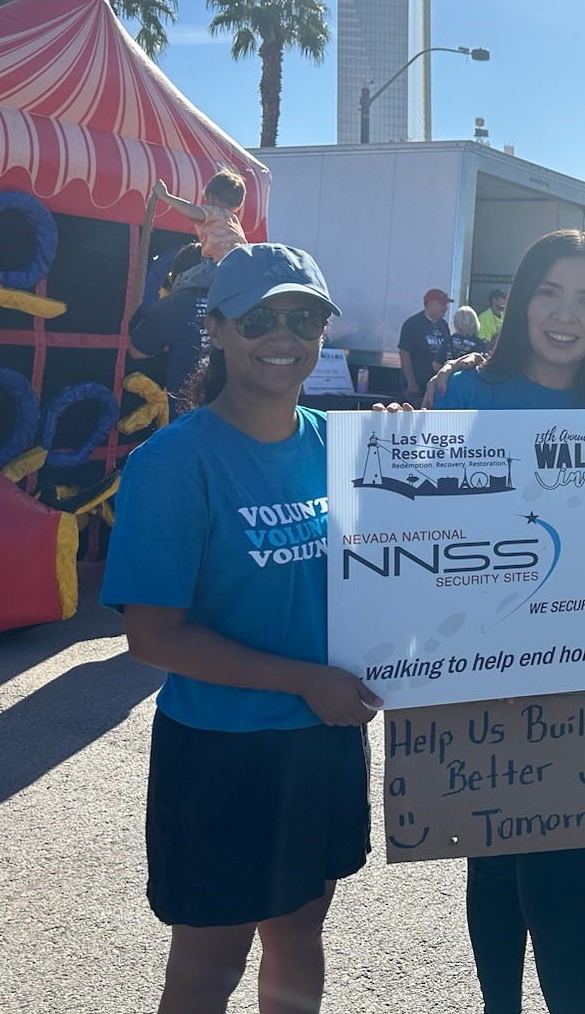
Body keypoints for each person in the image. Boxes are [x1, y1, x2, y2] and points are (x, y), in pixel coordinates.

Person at [102, 243, 377, 1013]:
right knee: (208, 963)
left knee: (298, 933)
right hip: (224, 749)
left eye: (303, 316)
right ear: (217, 329)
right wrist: (303, 681)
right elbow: (153, 638)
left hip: (322, 737)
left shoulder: (339, 444)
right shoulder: (173, 462)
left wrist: (413, 447)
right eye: (259, 317)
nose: (282, 335)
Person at [425, 230, 585, 1014]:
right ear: (520, 302)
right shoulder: (458, 396)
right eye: (549, 293)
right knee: (488, 873)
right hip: (473, 678)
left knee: (558, 895)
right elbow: (421, 540)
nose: (566, 315)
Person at [128, 243, 212, 418]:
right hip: (239, 418)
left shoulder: (171, 306)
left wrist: (172, 343)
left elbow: (136, 351)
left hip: (189, 421)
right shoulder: (235, 302)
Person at [152, 170, 249, 289]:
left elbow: (190, 209)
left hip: (216, 265)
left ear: (211, 197)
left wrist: (165, 196)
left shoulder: (213, 211)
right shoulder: (233, 220)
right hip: (240, 266)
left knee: (180, 281)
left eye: (206, 199)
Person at [397, 287, 453, 405]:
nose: (446, 308)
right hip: (418, 386)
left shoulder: (443, 325)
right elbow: (404, 354)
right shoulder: (413, 324)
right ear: (431, 304)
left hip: (436, 385)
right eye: (443, 304)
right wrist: (412, 383)